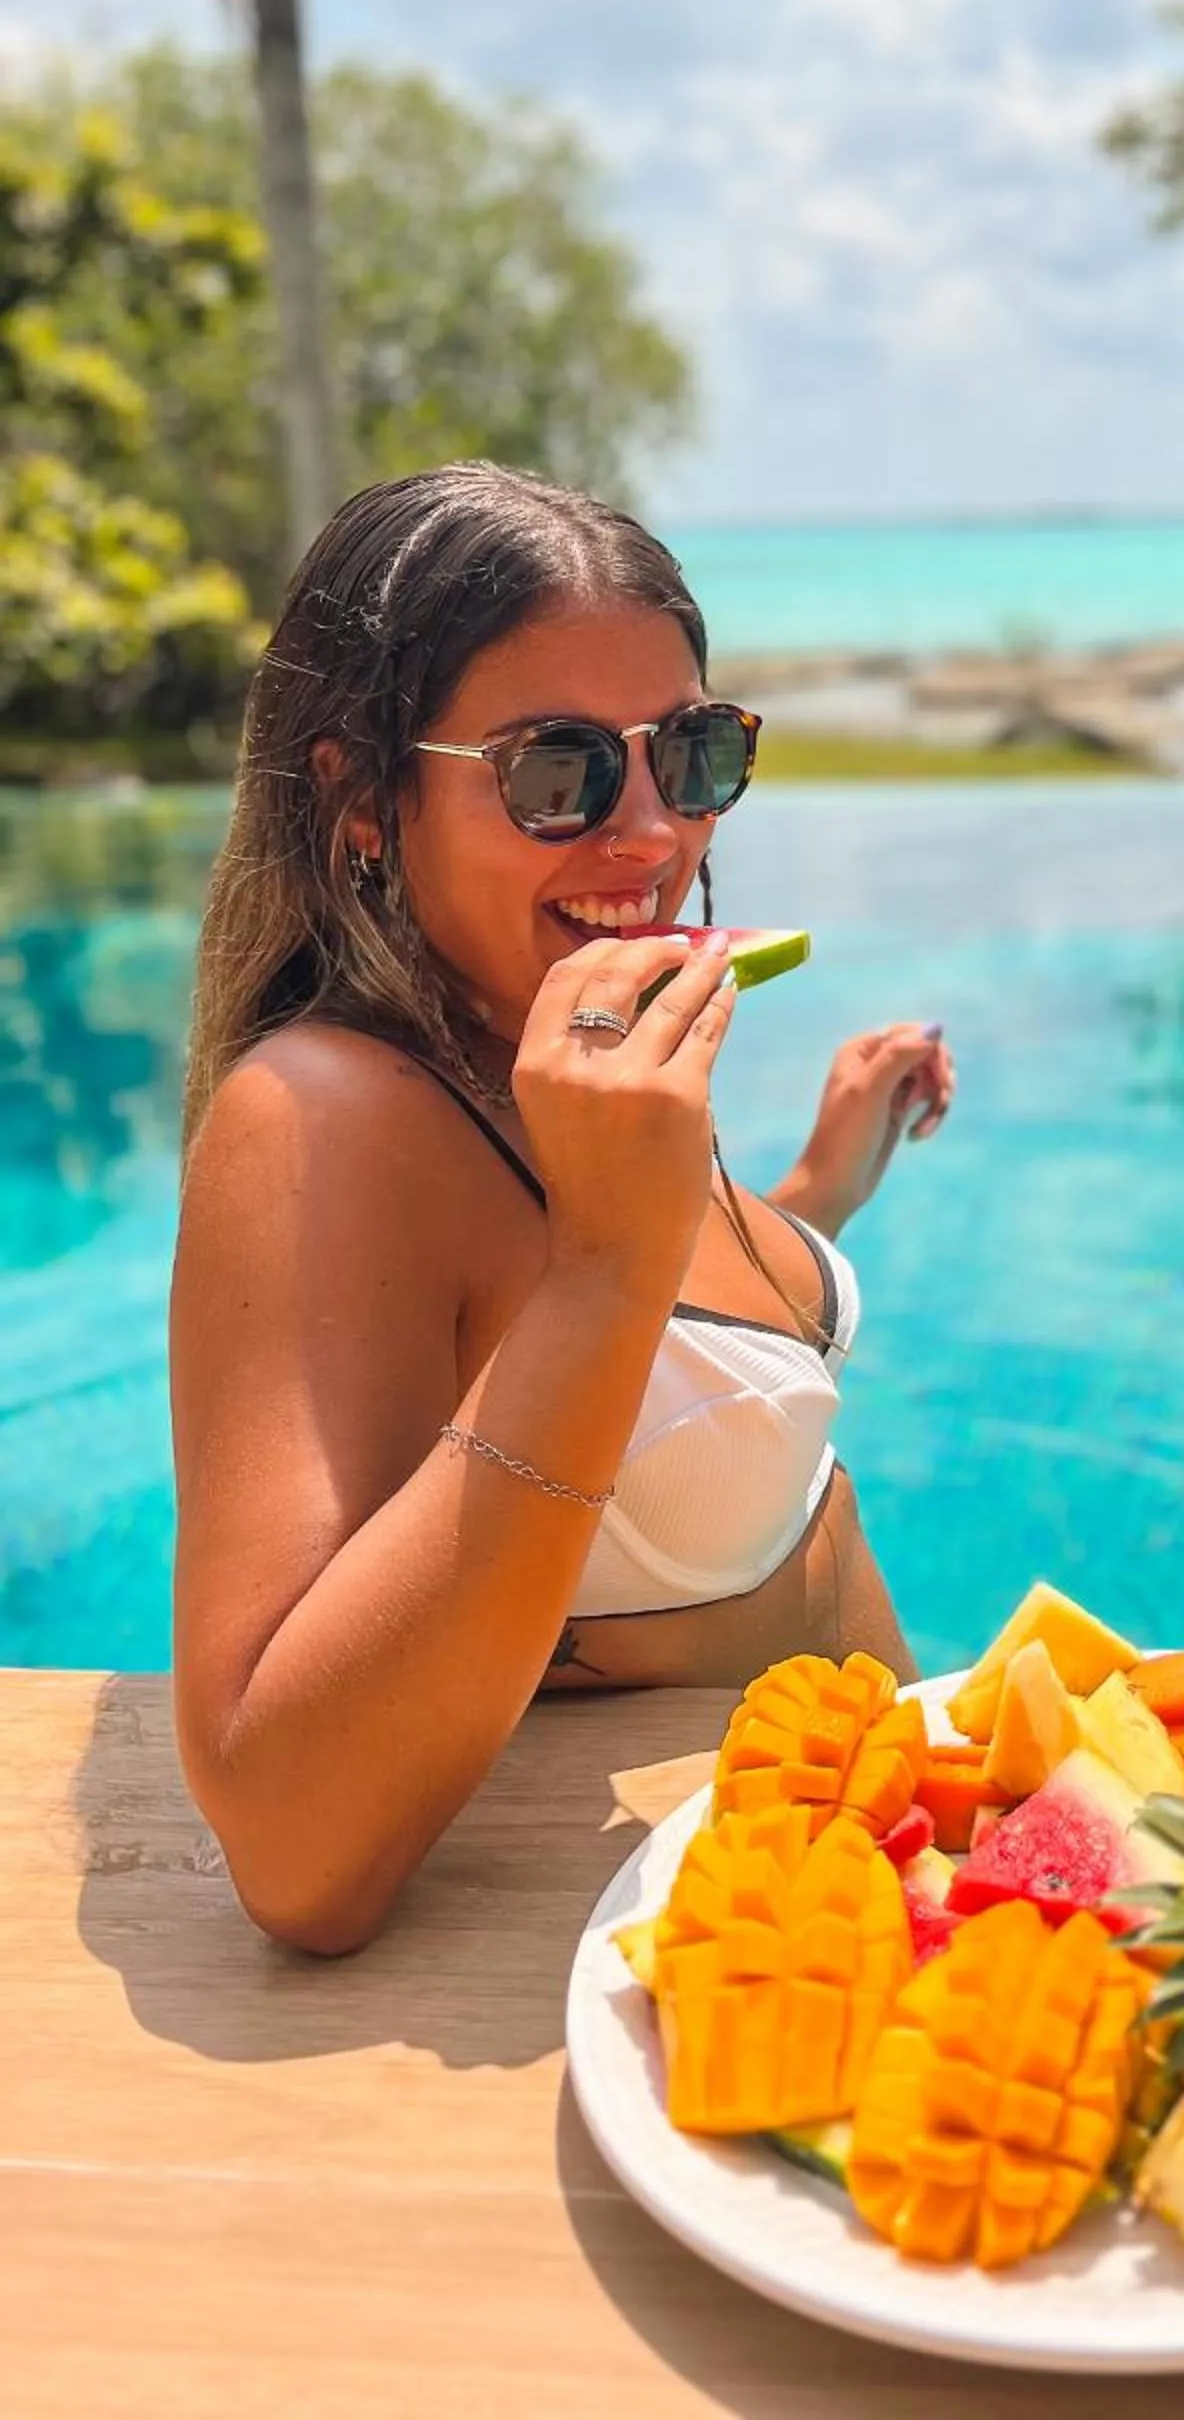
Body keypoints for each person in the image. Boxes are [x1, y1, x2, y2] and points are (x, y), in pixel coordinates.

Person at [168, 463, 953, 1955]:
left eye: (694, 752)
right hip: (727, 1944)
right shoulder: (326, 1122)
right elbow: (288, 1848)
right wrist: (603, 1269)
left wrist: (814, 1196)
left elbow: (670, 1351)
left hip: (865, 1855)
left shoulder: (555, 1045)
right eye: (559, 769)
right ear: (358, 798)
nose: (651, 834)